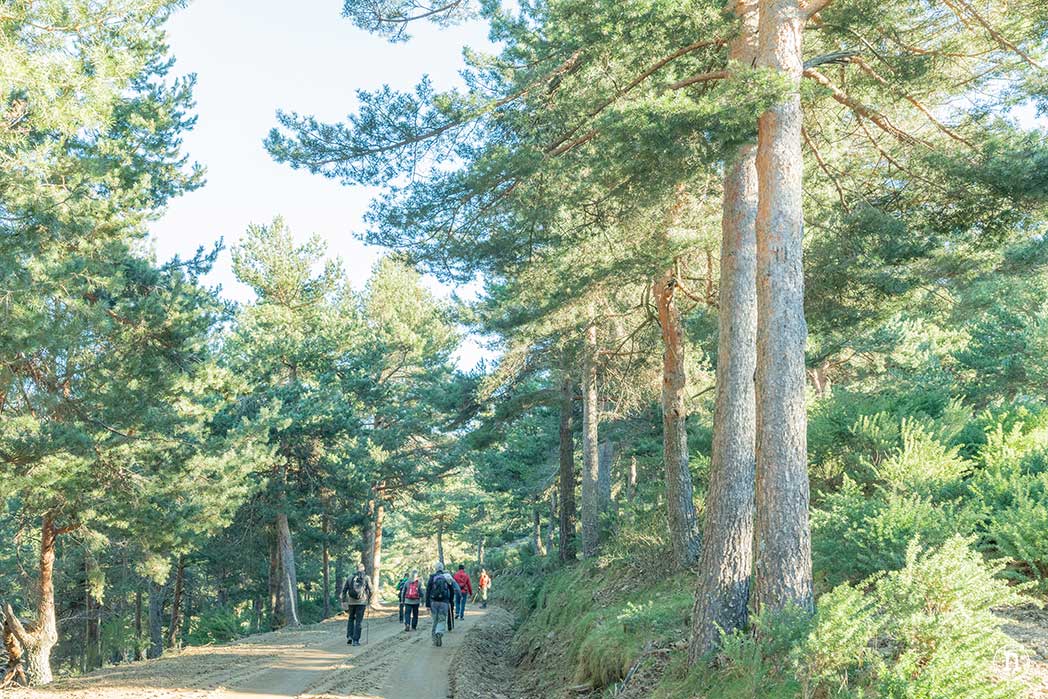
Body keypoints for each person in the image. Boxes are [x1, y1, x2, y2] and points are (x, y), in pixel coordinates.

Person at [341, 562, 372, 646]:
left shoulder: (350, 577)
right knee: (359, 621)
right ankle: (355, 640)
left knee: (351, 618)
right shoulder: (366, 578)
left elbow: (344, 590)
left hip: (351, 602)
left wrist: (344, 601)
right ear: (363, 569)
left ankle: (349, 636)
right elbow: (371, 590)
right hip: (361, 602)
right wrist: (369, 599)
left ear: (356, 569)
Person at [426, 562, 453, 647]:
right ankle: (439, 632)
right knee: (442, 619)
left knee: (435, 620)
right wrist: (450, 601)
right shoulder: (447, 577)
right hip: (444, 602)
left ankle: (434, 640)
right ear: (442, 568)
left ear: (436, 569)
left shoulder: (432, 577)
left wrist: (427, 605)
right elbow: (451, 590)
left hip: (433, 602)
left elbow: (428, 591)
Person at [444, 567, 461, 632]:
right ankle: (450, 626)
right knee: (450, 612)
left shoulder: (441, 579)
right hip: (450, 599)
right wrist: (460, 595)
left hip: (442, 599)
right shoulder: (451, 579)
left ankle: (441, 627)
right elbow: (457, 588)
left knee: (442, 614)